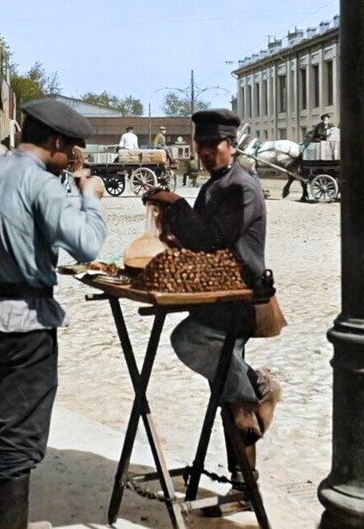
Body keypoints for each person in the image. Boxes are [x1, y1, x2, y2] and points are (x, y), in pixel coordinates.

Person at [0, 98, 107, 529]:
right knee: (17, 440)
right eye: (72, 149)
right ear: (58, 142)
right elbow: (88, 245)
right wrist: (88, 197)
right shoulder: (41, 184)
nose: (74, 159)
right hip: (24, 326)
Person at [142, 109, 282, 517]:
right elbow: (196, 238)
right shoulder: (217, 184)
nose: (204, 153)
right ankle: (243, 481)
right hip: (217, 293)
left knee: (192, 343)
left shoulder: (241, 188)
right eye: (200, 146)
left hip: (243, 297)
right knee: (224, 384)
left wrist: (177, 206)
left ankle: (253, 391)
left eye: (212, 146)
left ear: (231, 146)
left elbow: (211, 238)